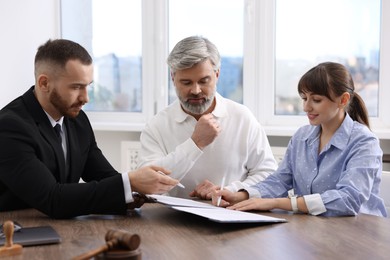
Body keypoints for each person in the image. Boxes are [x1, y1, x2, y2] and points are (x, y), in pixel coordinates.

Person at [0, 39, 179, 219]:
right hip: (15, 231)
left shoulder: (77, 119)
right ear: (44, 83)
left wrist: (135, 192)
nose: (85, 98)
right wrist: (130, 181)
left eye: (88, 86)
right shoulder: (9, 127)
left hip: (60, 227)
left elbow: (103, 176)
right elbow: (53, 199)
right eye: (76, 87)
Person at [212, 62, 387, 217]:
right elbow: (279, 181)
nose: (306, 107)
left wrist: (277, 203)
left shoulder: (364, 142)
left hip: (360, 236)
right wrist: (240, 195)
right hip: (316, 231)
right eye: (304, 98)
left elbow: (348, 199)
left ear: (343, 100)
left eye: (316, 100)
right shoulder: (301, 137)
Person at [138, 36, 277, 199]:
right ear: (173, 78)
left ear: (217, 75)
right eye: (186, 82)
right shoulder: (156, 126)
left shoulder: (242, 118)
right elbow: (147, 183)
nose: (196, 90)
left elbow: (268, 174)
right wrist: (195, 144)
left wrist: (229, 191)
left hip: (232, 215)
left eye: (204, 81)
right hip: (175, 219)